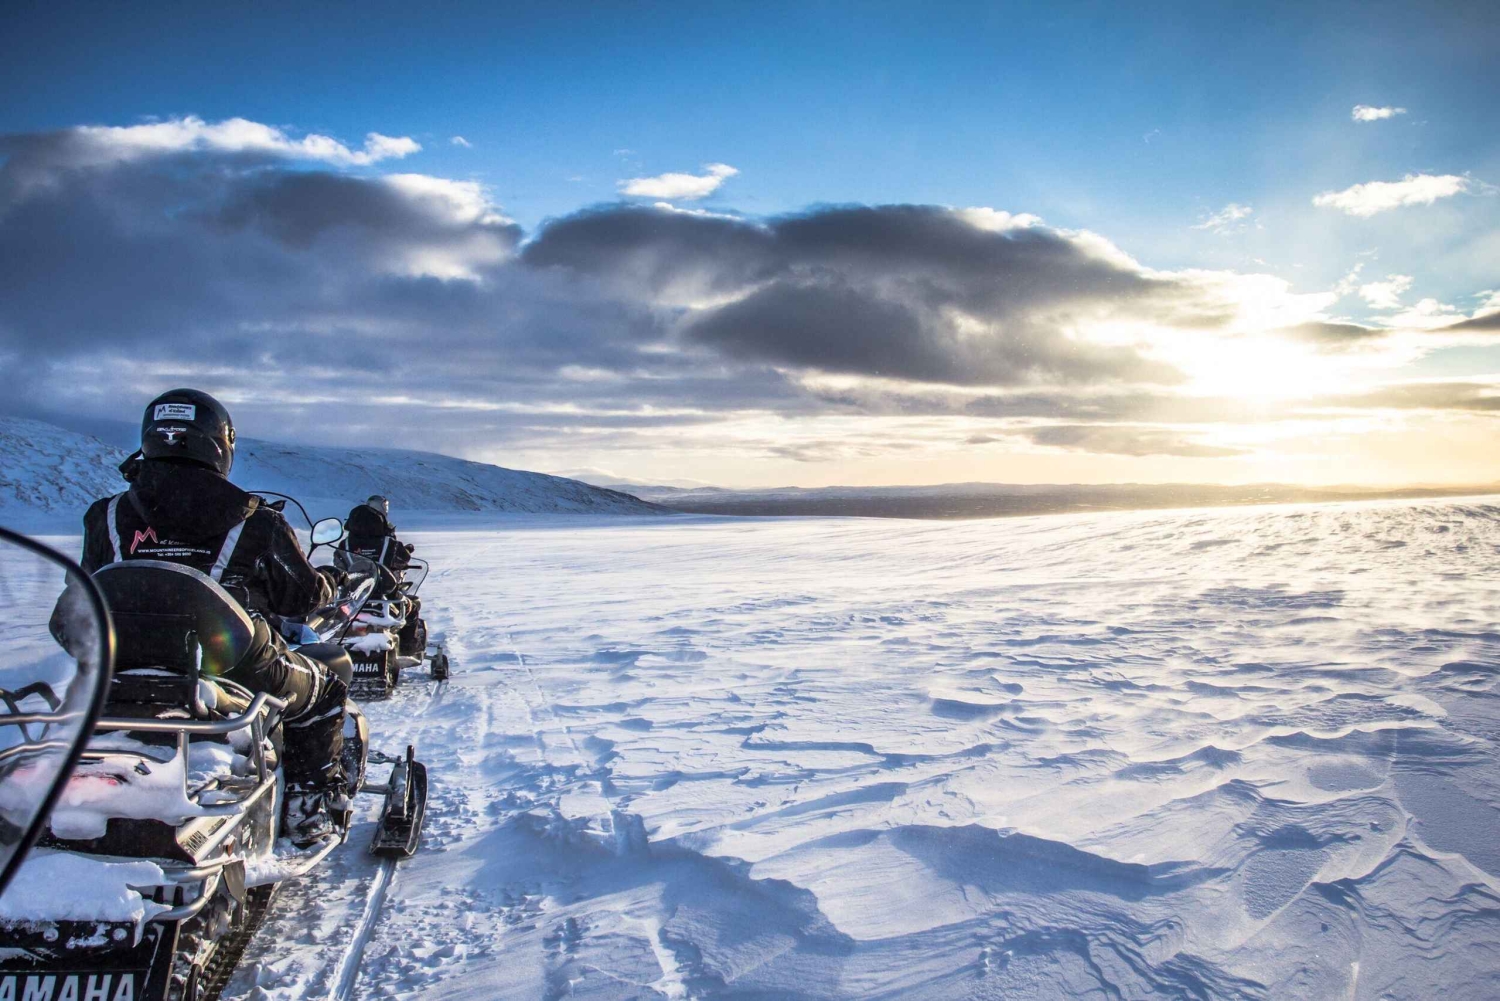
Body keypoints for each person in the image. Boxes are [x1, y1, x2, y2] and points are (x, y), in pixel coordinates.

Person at [79, 388, 349, 845]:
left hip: (118, 660)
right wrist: (327, 583)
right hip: (230, 662)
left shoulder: (104, 515)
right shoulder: (255, 520)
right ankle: (307, 813)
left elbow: (86, 587)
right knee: (325, 692)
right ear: (220, 444)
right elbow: (299, 599)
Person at [344, 495, 424, 652]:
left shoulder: (345, 544)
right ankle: (408, 648)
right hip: (385, 595)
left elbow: (339, 565)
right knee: (412, 607)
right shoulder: (388, 543)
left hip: (354, 598)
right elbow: (403, 559)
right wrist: (405, 551)